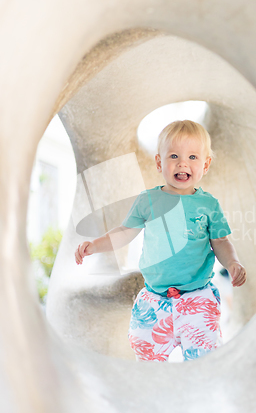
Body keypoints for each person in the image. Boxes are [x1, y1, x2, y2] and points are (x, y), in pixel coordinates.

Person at [75, 120, 246, 362]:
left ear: (206, 165)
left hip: (197, 297)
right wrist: (94, 245)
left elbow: (221, 241)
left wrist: (233, 263)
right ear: (159, 162)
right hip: (155, 298)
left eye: (193, 157)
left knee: (204, 359)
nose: (182, 163)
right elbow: (124, 231)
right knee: (145, 354)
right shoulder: (148, 200)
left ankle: (198, 393)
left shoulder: (209, 205)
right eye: (174, 155)